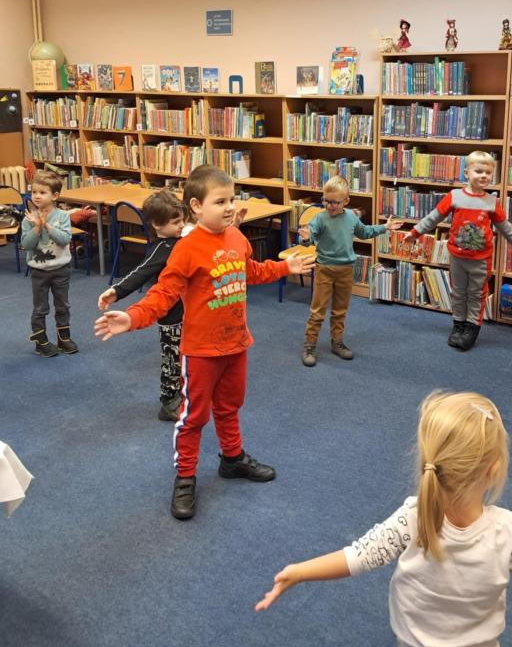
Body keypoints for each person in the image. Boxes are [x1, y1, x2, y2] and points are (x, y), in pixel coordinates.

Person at [256, 390, 512, 647]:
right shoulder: (509, 533)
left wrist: (299, 571)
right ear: (494, 470)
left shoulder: (413, 516)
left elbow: (358, 557)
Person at [94, 165, 314, 520]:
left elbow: (250, 271)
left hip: (236, 344)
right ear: (196, 206)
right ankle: (185, 477)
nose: (230, 208)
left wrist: (283, 269)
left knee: (229, 407)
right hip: (200, 352)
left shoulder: (236, 238)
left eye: (232, 199)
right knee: (193, 417)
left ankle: (232, 458)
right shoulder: (186, 249)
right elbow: (163, 293)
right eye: (220, 201)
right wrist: (133, 317)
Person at [403, 151, 512, 350]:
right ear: (467, 173)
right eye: (478, 171)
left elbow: (505, 227)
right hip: (457, 257)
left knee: (476, 294)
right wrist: (415, 232)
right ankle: (458, 324)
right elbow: (434, 217)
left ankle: (472, 327)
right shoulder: (454, 196)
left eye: (488, 173)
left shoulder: (492, 202)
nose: (483, 176)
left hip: (481, 260)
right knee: (458, 293)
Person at [97, 189, 186, 422]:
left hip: (189, 311)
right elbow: (141, 272)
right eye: (176, 222)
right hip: (170, 315)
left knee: (187, 356)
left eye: (182, 220)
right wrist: (117, 291)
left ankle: (184, 394)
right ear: (157, 225)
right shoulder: (161, 248)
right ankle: (169, 402)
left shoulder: (184, 241)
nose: (181, 225)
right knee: (171, 359)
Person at [299, 175, 402, 367]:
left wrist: (385, 227)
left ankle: (337, 342)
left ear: (346, 201)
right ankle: (309, 346)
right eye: (325, 200)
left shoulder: (351, 217)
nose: (329, 205)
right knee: (317, 311)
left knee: (340, 310)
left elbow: (365, 232)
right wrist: (305, 238)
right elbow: (309, 236)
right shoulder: (320, 218)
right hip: (324, 269)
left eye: (334, 202)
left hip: (346, 270)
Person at [21, 169, 77, 357]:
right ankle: (41, 341)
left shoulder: (62, 216)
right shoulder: (28, 219)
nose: (37, 196)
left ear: (55, 196)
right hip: (39, 271)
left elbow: (64, 239)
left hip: (61, 269)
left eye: (42, 192)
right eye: (34, 192)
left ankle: (64, 338)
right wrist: (37, 226)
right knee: (40, 308)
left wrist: (46, 225)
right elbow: (26, 245)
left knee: (63, 305)